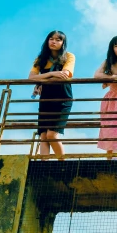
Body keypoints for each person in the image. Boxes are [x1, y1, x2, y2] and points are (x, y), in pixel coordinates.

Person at [28, 30, 75, 158]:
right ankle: (44, 166)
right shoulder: (41, 59)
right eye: (51, 39)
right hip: (46, 98)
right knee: (43, 135)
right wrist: (51, 73)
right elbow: (31, 77)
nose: (54, 42)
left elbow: (64, 75)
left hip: (63, 98)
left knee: (52, 134)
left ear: (63, 43)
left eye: (58, 40)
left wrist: (41, 79)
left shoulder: (69, 56)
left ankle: (62, 164)